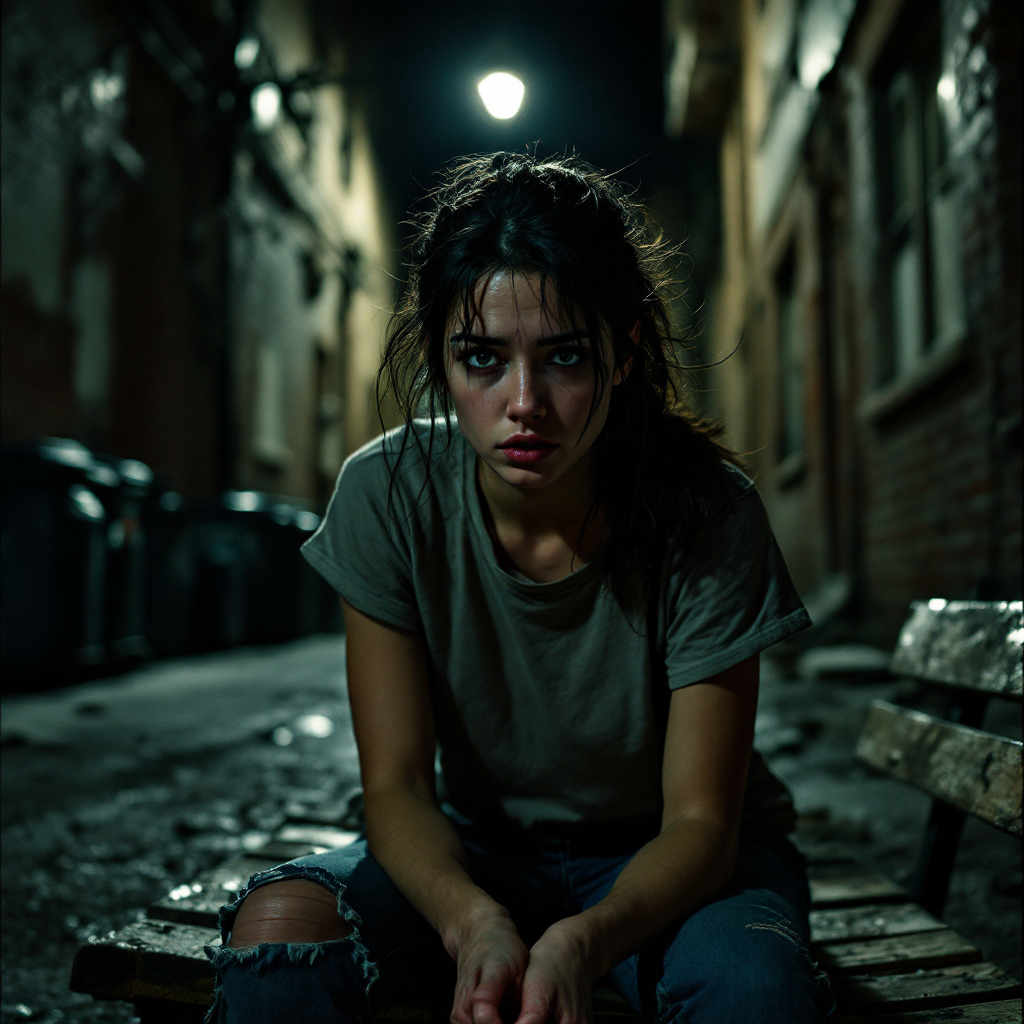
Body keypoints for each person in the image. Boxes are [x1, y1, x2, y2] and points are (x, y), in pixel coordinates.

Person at [205, 152, 835, 1024]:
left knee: (755, 995)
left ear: (625, 355)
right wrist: (471, 922)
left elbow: (700, 821)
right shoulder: (387, 495)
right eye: (482, 359)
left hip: (673, 860)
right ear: (440, 359)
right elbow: (396, 787)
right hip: (472, 850)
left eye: (566, 357)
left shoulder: (707, 514)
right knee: (280, 941)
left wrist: (586, 937)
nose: (524, 402)